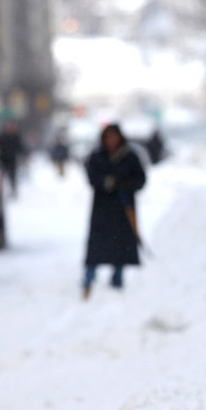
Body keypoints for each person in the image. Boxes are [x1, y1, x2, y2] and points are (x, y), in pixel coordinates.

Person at [82, 123, 146, 300]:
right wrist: (105, 183)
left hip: (123, 209)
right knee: (96, 246)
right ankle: (88, 278)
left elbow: (140, 179)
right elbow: (91, 176)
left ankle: (117, 280)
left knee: (121, 246)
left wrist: (122, 184)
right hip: (102, 208)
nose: (111, 140)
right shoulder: (97, 157)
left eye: (114, 136)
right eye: (108, 137)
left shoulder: (130, 156)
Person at [0, 122, 25, 197]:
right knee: (0, 177)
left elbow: (20, 147)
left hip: (12, 160)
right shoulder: (2, 137)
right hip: (2, 159)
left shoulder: (16, 137)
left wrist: (22, 155)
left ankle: (13, 191)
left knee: (12, 177)